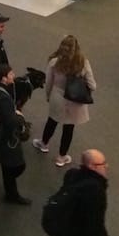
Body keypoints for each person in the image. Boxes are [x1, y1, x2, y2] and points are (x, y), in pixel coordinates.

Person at [32, 36, 96, 168]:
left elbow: (48, 82)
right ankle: (61, 157)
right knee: (68, 128)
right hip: (74, 101)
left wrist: (49, 96)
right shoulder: (83, 62)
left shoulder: (54, 62)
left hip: (58, 97)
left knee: (52, 121)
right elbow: (92, 85)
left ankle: (44, 144)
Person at [0, 64, 30, 206]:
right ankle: (11, 193)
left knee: (8, 165)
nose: (13, 75)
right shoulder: (2, 97)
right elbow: (10, 120)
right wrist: (20, 118)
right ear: (4, 78)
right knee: (16, 164)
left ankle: (11, 192)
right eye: (10, 74)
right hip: (4, 136)